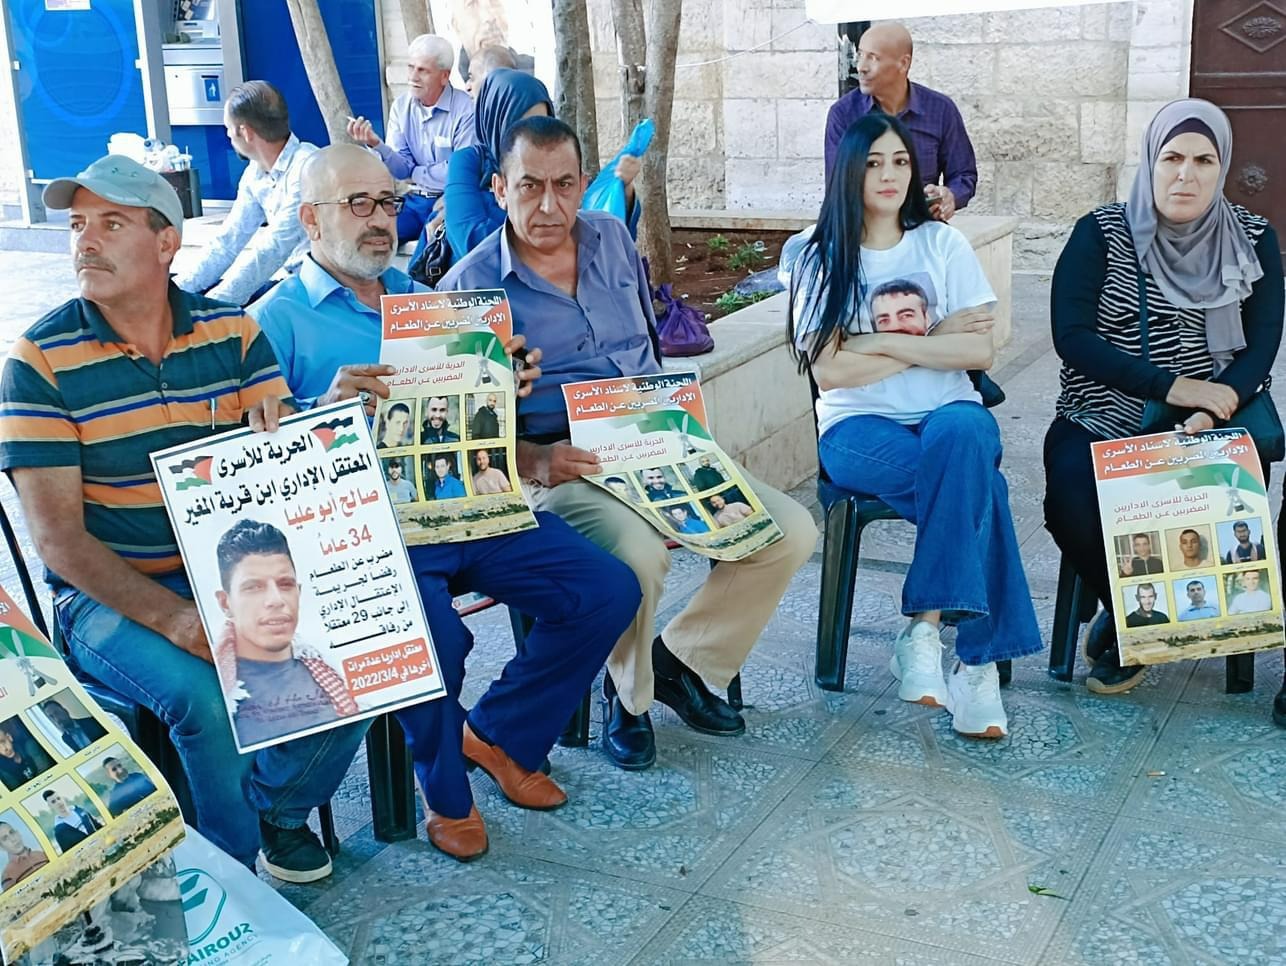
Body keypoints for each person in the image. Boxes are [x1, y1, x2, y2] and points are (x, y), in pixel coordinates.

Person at [251, 144, 641, 860]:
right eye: (359, 204)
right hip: (366, 535)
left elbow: (469, 423)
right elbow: (256, 464)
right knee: (435, 638)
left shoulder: (422, 301)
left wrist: (502, 381)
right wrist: (323, 412)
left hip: (464, 506)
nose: (380, 220)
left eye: (389, 202)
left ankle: (499, 735)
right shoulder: (274, 322)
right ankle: (446, 792)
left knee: (606, 589)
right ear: (310, 219)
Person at [0, 155, 367, 882]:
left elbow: (278, 464)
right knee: (208, 692)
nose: (85, 241)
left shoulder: (233, 333)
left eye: (112, 224)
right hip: (106, 598)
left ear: (167, 242)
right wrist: (174, 619)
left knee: (363, 648)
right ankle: (233, 875)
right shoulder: (39, 361)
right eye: (78, 225)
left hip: (227, 574)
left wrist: (313, 423)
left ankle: (276, 812)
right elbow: (58, 542)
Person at [441, 118, 817, 771]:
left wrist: (676, 425)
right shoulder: (470, 290)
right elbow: (456, 434)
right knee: (639, 556)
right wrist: (536, 459)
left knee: (789, 531)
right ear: (500, 189)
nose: (549, 205)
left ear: (584, 183)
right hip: (562, 463)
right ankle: (630, 698)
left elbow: (646, 343)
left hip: (651, 438)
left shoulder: (612, 237)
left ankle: (682, 661)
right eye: (530, 186)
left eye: (564, 185)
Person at [790, 112, 1041, 739]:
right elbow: (831, 372)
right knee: (983, 486)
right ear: (849, 170)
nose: (889, 174)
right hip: (857, 430)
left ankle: (927, 633)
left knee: (966, 435)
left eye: (900, 161)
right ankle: (976, 664)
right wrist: (929, 338)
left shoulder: (942, 245)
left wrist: (871, 341)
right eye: (874, 162)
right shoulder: (820, 256)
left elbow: (978, 351)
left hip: (947, 417)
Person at [1043, 98, 1283, 703]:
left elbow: (1261, 347)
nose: (1186, 175)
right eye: (1172, 158)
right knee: (1070, 495)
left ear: (1222, 167)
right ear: (1150, 161)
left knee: (1219, 504)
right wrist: (1172, 388)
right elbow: (1072, 336)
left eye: (1204, 161)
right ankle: (1131, 614)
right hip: (1105, 412)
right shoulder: (1102, 232)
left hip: (1212, 421)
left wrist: (1210, 406)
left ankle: (1136, 630)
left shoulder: (1254, 238)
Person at [443, 69, 639, 261]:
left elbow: (604, 237)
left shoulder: (557, 161)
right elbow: (469, 238)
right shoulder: (468, 162)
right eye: (521, 126)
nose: (534, 138)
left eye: (541, 123)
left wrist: (622, 189)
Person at [213, 521, 360, 748]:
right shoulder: (216, 692)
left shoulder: (334, 676)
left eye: (285, 585)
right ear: (225, 603)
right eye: (254, 587)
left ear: (298, 592)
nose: (276, 600)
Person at [173, 82, 316, 306]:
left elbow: (273, 248)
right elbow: (228, 241)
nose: (228, 136)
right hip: (294, 281)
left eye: (228, 128)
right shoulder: (255, 173)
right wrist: (174, 292)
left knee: (240, 308)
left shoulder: (307, 168)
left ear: (245, 132)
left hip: (322, 288)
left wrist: (212, 308)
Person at [823, 22, 976, 222]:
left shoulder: (940, 110)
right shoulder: (844, 114)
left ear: (903, 63)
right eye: (860, 55)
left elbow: (963, 174)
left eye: (873, 57)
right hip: (864, 231)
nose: (861, 67)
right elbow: (837, 188)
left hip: (923, 228)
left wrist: (949, 196)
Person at [346, 34, 474, 247]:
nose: (413, 77)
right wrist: (376, 144)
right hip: (414, 200)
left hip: (451, 201)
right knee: (369, 234)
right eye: (410, 67)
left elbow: (459, 172)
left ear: (444, 76)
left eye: (423, 70)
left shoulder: (466, 110)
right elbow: (402, 170)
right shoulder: (401, 107)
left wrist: (416, 173)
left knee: (430, 245)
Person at [0, 720, 54, 791]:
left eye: (3, 742)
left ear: (9, 737)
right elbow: (16, 790)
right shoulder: (3, 769)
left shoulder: (29, 746)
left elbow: (46, 772)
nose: (4, 749)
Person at [39, 698, 107, 753]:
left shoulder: (91, 721)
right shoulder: (65, 738)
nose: (57, 719)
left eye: (57, 713)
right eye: (52, 717)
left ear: (65, 711)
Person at [0, 821, 47, 889]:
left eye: (12, 832)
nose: (13, 839)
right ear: (1, 847)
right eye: (5, 838)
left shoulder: (42, 854)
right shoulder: (8, 876)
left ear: (18, 833)